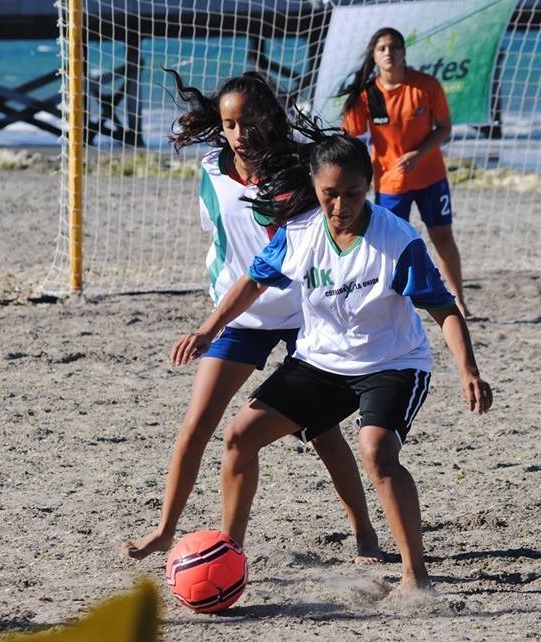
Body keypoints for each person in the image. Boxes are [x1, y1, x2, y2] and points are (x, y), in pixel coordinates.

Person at [171, 128, 493, 596]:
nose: (340, 206)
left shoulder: (398, 241)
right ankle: (230, 556)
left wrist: (468, 369)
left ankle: (414, 577)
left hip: (392, 362)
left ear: (369, 185)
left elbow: (443, 309)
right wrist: (208, 328)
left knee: (377, 453)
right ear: (313, 185)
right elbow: (252, 282)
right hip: (320, 362)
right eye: (329, 194)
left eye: (352, 194)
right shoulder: (299, 233)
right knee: (239, 436)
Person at [122, 71, 382, 564]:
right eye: (230, 124)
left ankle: (364, 532)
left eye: (248, 121)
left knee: (323, 433)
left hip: (303, 315)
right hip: (236, 315)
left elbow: (334, 224)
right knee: (197, 426)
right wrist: (210, 324)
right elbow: (219, 237)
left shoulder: (299, 170)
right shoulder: (211, 170)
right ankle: (164, 530)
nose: (240, 133)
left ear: (269, 119)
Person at [339, 27, 473, 319]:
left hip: (431, 177)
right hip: (390, 183)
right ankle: (390, 302)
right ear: (374, 56)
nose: (389, 53)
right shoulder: (367, 95)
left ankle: (459, 300)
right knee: (391, 244)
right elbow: (348, 138)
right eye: (382, 48)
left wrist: (418, 154)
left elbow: (445, 128)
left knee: (442, 237)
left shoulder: (425, 86)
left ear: (403, 53)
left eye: (394, 47)